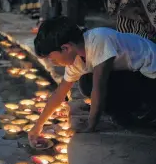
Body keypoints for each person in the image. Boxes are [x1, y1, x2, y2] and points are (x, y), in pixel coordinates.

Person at [28, 16, 156, 144]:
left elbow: (99, 87)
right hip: (134, 75)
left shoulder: (99, 39)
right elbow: (59, 94)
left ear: (65, 48)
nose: (52, 62)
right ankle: (130, 111)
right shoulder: (76, 61)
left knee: (91, 84)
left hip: (150, 76)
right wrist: (38, 125)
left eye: (51, 58)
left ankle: (142, 111)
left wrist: (91, 125)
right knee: (86, 82)